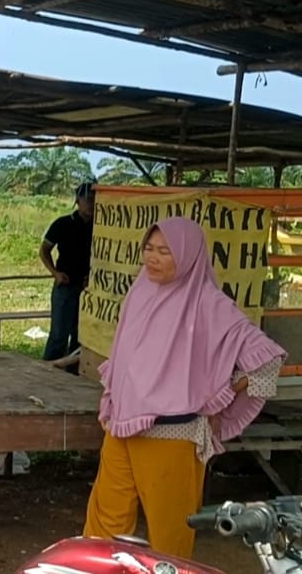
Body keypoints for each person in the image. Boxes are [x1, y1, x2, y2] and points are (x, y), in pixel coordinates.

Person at [84, 217, 286, 559]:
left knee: (170, 532)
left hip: (171, 434)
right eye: (149, 248)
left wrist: (220, 396)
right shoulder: (141, 288)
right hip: (122, 425)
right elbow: (124, 352)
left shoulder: (207, 301)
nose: (153, 258)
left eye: (165, 251)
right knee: (105, 521)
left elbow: (266, 358)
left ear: (189, 256)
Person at [40, 182, 95, 365]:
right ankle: (48, 372)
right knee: (58, 334)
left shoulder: (100, 228)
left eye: (94, 199)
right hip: (65, 284)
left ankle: (73, 375)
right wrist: (55, 273)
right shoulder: (63, 223)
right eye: (87, 199)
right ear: (78, 201)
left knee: (81, 336)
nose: (91, 203)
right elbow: (44, 250)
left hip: (89, 287)